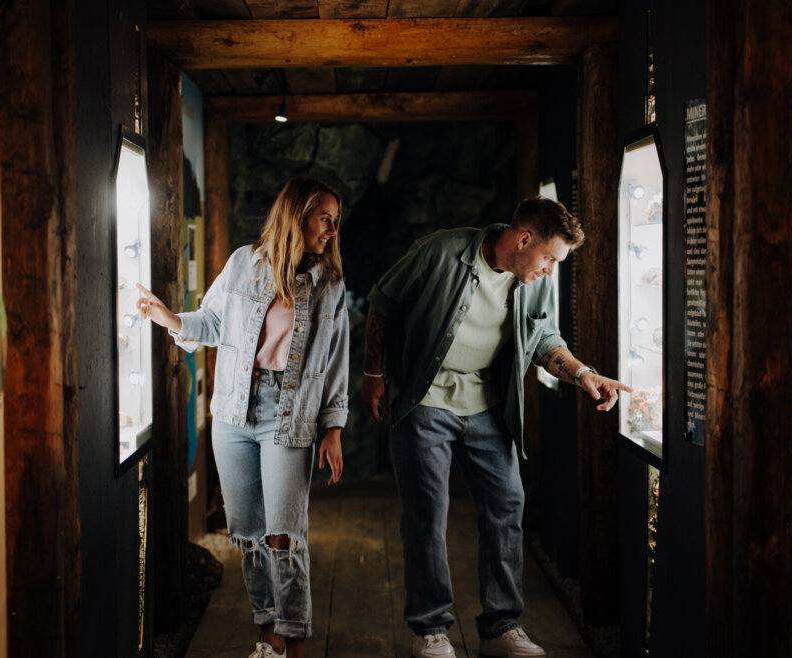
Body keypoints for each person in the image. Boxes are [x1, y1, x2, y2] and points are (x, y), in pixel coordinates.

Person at [360, 197, 631, 658]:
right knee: (427, 515)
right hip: (425, 402)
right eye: (549, 258)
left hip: (487, 406)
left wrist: (585, 373)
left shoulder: (535, 279)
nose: (550, 270)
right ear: (523, 239)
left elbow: (545, 338)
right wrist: (373, 374)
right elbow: (382, 303)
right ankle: (430, 629)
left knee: (507, 507)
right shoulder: (440, 252)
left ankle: (500, 628)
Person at [137, 177, 349, 658]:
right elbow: (212, 323)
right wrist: (171, 319)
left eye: (336, 221)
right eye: (325, 218)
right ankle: (267, 638)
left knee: (284, 535)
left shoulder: (329, 284)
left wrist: (333, 428)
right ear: (297, 215)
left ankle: (292, 642)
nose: (333, 230)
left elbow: (337, 360)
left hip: (289, 415)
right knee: (250, 534)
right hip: (233, 410)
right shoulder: (242, 263)